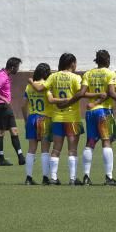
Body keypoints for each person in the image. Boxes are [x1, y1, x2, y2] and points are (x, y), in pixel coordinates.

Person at [79, 49, 116, 185]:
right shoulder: (110, 73)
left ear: (96, 60)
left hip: (91, 112)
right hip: (104, 112)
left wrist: (94, 99)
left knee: (90, 142)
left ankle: (86, 176)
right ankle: (108, 177)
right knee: (106, 142)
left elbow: (82, 93)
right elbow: (112, 93)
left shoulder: (88, 73)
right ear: (107, 60)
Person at [30, 53, 84, 185]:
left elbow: (40, 88)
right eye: (75, 63)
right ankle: (72, 178)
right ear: (72, 63)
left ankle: (53, 178)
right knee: (72, 149)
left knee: (56, 149)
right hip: (72, 117)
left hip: (57, 118)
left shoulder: (53, 76)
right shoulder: (76, 78)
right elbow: (80, 93)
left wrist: (31, 81)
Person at [0, 57, 25, 166]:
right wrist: (4, 99)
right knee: (1, 132)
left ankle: (21, 158)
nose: (18, 70)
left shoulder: (4, 74)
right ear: (12, 67)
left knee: (14, 131)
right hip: (1, 107)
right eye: (17, 67)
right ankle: (1, 159)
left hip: (5, 107)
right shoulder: (2, 77)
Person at [22, 63, 52, 185]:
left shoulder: (28, 87)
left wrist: (26, 120)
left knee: (31, 150)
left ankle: (28, 178)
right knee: (45, 150)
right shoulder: (46, 86)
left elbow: (23, 106)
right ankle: (45, 178)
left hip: (32, 118)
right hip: (44, 118)